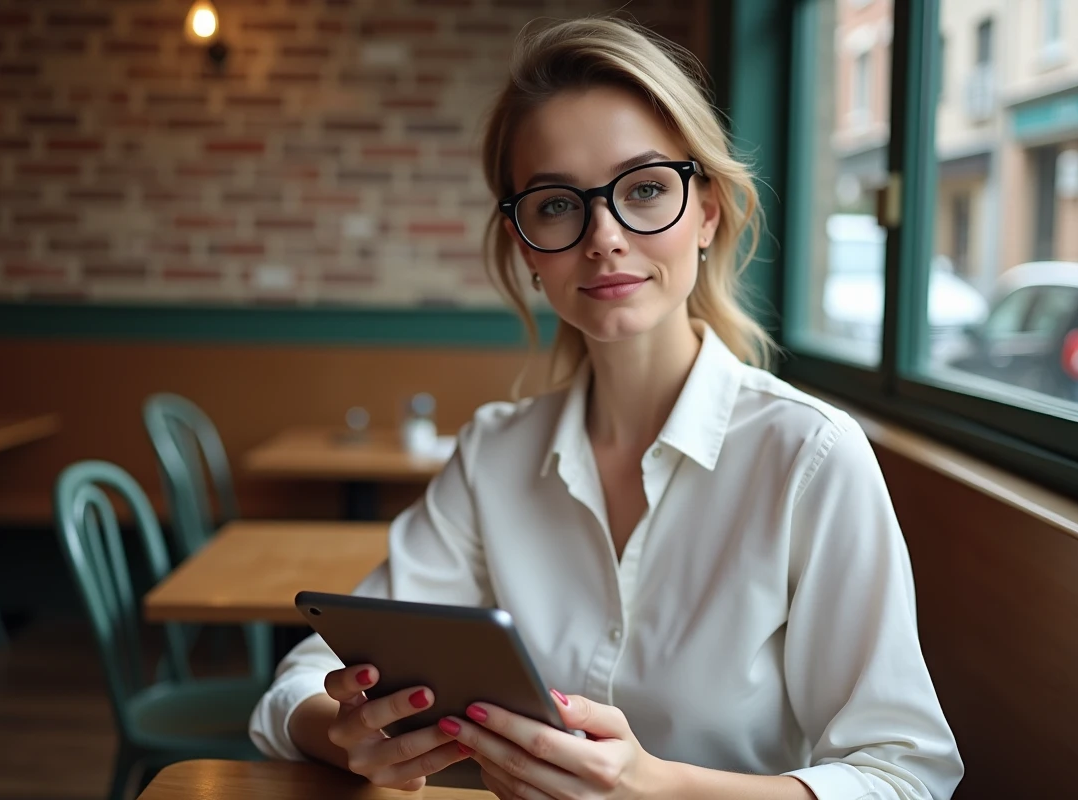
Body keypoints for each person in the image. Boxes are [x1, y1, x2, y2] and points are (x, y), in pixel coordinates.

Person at [249, 16, 963, 800]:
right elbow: (303, 682)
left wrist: (662, 789)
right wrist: (343, 737)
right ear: (525, 246)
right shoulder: (494, 453)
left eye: (646, 189)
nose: (604, 237)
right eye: (557, 205)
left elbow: (905, 774)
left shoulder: (810, 456)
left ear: (708, 211)